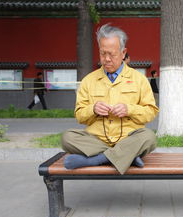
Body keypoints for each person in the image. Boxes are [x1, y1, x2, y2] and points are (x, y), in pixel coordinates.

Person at [61, 24, 159, 175]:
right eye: (102, 54)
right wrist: (93, 109)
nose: (106, 59)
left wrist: (129, 109)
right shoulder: (89, 80)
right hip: (97, 140)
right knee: (67, 137)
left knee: (149, 137)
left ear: (123, 52)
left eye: (111, 54)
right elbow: (80, 115)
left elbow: (151, 111)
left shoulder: (139, 79)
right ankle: (127, 157)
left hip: (129, 138)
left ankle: (96, 160)